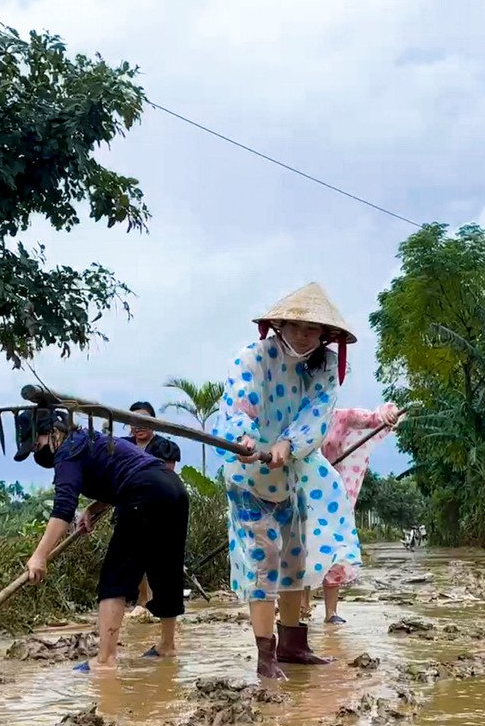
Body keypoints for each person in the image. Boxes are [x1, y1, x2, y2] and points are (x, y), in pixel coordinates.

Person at [213, 282, 361, 680]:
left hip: (294, 471)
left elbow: (318, 410)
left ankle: (295, 643)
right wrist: (244, 437)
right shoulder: (255, 356)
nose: (303, 335)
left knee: (296, 557)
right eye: (296, 325)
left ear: (326, 335)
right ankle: (266, 656)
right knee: (264, 559)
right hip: (248, 474)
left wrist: (288, 444)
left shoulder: (325, 365)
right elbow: (238, 400)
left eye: (313, 329)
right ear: (279, 323)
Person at [18, 407, 190, 668]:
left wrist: (39, 556)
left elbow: (63, 506)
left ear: (53, 432)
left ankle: (106, 660)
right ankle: (167, 646)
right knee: (166, 569)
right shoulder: (90, 438)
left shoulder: (68, 450)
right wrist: (93, 508)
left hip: (143, 492)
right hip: (173, 489)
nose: (37, 451)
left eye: (37, 444)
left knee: (114, 577)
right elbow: (121, 473)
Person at [312, 403, 402, 623]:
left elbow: (373, 418)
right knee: (303, 552)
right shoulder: (297, 420)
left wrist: (387, 414)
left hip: (333, 499)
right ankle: (301, 611)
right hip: (304, 494)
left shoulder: (343, 418)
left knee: (335, 551)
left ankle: (331, 612)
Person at [126, 401, 182, 616]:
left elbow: (166, 478)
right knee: (135, 552)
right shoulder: (124, 445)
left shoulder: (164, 447)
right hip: (131, 504)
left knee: (159, 555)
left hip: (159, 505)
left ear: (153, 423)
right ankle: (143, 597)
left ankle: (161, 601)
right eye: (133, 422)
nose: (138, 427)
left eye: (144, 421)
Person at [128, 401, 182, 469]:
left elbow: (167, 476)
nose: (139, 426)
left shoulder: (164, 447)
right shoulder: (123, 444)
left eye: (144, 420)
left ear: (153, 421)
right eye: (134, 421)